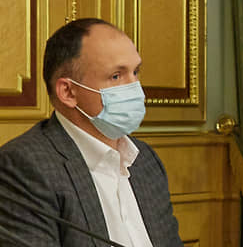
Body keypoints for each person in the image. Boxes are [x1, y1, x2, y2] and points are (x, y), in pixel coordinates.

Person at [0, 18, 182, 246]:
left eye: (136, 72)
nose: (135, 88)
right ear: (68, 92)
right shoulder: (25, 167)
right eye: (116, 76)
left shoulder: (145, 160)